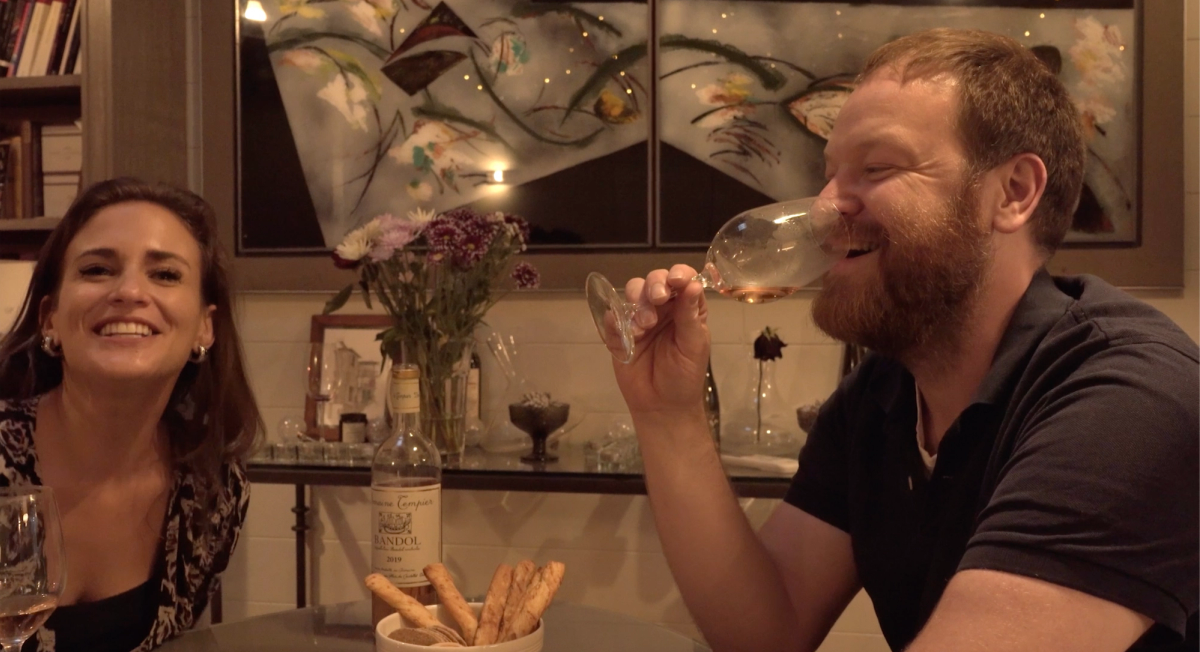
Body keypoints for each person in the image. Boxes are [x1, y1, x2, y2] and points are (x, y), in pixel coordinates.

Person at [609, 28, 1197, 652]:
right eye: (828, 174)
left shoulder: (1131, 400)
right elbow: (767, 630)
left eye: (877, 168)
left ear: (1014, 192)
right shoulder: (880, 397)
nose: (825, 209)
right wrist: (667, 414)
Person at [0, 178, 263, 651]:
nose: (129, 291)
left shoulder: (213, 492)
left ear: (205, 326)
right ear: (50, 318)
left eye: (165, 275)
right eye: (98, 269)